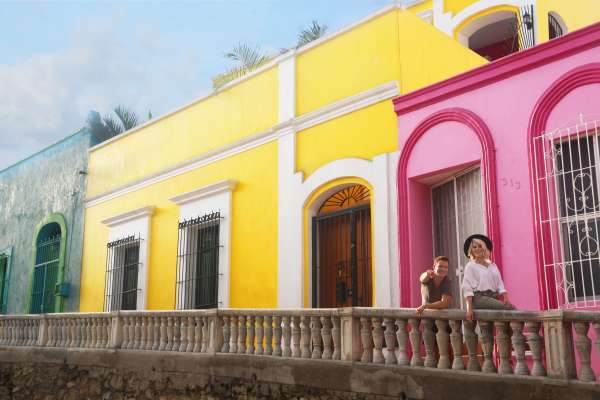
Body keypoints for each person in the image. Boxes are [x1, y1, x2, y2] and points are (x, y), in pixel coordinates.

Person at [462, 234, 515, 321]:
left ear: (484, 247)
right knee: (511, 309)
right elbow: (467, 287)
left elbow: (499, 283)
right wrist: (469, 308)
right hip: (479, 298)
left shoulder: (492, 266)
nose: (477, 249)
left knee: (505, 316)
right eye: (474, 247)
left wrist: (505, 297)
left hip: (493, 297)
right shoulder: (470, 266)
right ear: (471, 250)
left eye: (480, 246)